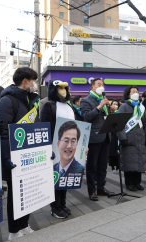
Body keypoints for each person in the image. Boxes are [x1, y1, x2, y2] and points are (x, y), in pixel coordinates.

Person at [0, 67, 39, 241]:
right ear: (25, 81)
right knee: (15, 194)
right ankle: (13, 231)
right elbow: (3, 132)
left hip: (29, 156)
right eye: (33, 80)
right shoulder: (7, 101)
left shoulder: (30, 101)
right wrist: (6, 158)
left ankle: (24, 224)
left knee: (27, 192)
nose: (34, 84)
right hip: (14, 156)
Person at [40, 79, 77, 219]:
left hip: (68, 148)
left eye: (64, 88)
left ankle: (62, 204)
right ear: (53, 90)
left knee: (65, 176)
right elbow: (44, 128)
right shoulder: (49, 106)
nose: (62, 90)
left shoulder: (69, 106)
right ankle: (55, 207)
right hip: (54, 148)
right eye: (59, 88)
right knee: (55, 178)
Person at [80, 78, 115, 201]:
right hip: (94, 137)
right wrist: (99, 106)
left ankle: (101, 188)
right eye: (99, 84)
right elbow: (86, 117)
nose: (102, 86)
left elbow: (105, 118)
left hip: (105, 136)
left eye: (103, 84)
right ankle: (91, 191)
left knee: (103, 165)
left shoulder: (104, 100)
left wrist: (111, 112)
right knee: (92, 166)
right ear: (92, 87)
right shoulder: (85, 101)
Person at [117, 86, 146, 191]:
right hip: (128, 140)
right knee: (129, 163)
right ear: (128, 94)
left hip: (140, 139)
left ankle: (137, 183)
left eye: (137, 91)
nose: (136, 93)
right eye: (133, 91)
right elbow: (119, 123)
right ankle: (129, 184)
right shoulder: (124, 107)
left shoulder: (141, 107)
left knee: (139, 162)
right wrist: (122, 137)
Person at [54, 121, 84, 189]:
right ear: (58, 144)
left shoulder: (80, 169)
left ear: (77, 144)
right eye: (66, 141)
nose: (69, 146)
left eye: (73, 141)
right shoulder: (52, 168)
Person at [109, 99, 121, 171]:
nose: (115, 105)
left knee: (118, 151)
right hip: (112, 135)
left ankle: (118, 166)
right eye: (114, 104)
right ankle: (113, 166)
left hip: (118, 134)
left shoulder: (119, 113)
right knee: (112, 151)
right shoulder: (109, 113)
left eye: (117, 104)